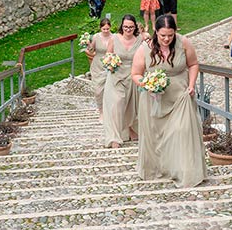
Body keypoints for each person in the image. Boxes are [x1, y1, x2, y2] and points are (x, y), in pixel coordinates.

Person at [131, 14, 207, 188]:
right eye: (163, 35)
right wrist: (147, 84)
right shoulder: (144, 48)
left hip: (180, 94)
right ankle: (159, 169)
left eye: (170, 35)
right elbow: (135, 74)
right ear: (156, 32)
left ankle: (184, 171)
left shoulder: (184, 43)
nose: (166, 39)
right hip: (153, 97)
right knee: (156, 135)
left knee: (182, 131)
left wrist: (192, 84)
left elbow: (193, 64)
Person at [102, 14, 142, 148]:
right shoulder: (114, 39)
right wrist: (110, 63)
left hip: (132, 77)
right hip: (116, 76)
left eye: (131, 27)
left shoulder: (139, 40)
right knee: (117, 105)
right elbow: (108, 55)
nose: (128, 29)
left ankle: (131, 129)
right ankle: (114, 137)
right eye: (125, 27)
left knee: (131, 106)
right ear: (122, 27)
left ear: (135, 27)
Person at [86, 18, 113, 122]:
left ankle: (109, 111)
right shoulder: (97, 37)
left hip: (110, 65)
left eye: (107, 29)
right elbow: (92, 50)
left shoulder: (114, 37)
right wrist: (88, 45)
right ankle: (101, 111)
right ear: (100, 28)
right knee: (98, 91)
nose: (106, 31)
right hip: (98, 65)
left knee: (109, 90)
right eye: (104, 29)